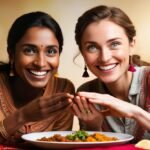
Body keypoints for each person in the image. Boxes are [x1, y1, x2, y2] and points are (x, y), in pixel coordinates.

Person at [72, 5, 150, 142]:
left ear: (132, 44)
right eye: (92, 47)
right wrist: (93, 127)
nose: (104, 57)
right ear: (83, 53)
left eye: (114, 44)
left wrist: (134, 112)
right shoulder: (86, 93)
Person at [0, 11, 75, 146]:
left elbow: (60, 146)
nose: (40, 63)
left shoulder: (63, 90)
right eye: (29, 50)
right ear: (12, 54)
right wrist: (22, 116)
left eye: (51, 51)